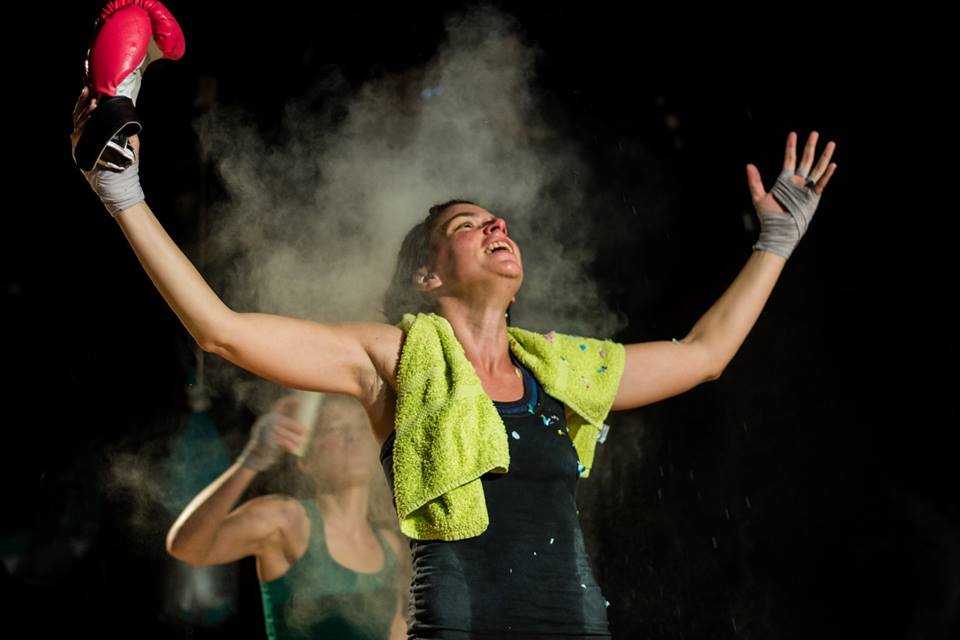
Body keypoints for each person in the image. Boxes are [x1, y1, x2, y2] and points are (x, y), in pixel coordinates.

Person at [72, 86, 837, 637]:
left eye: (499, 221)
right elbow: (223, 332)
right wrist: (123, 193)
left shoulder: (557, 374)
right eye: (470, 225)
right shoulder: (395, 357)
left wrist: (776, 243)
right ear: (428, 276)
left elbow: (703, 356)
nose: (497, 225)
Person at [166, 392, 409, 639]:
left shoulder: (391, 546)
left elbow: (398, 633)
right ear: (306, 461)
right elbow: (186, 548)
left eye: (361, 427)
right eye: (335, 428)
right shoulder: (284, 519)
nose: (353, 436)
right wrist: (251, 461)